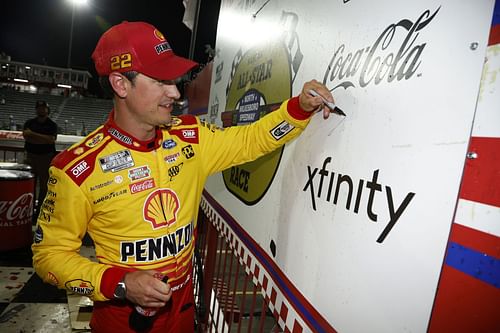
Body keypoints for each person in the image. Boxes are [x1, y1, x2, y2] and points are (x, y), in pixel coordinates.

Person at [31, 21, 336, 333]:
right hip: (121, 320)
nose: (175, 93)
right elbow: (48, 258)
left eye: (174, 81)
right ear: (121, 85)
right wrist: (119, 283)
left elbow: (252, 140)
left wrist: (298, 109)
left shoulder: (190, 137)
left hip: (183, 315)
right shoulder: (75, 169)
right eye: (161, 82)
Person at [22, 100, 58, 212]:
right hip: (31, 157)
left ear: (48, 110)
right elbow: (26, 136)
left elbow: (51, 140)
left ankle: (39, 210)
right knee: (29, 184)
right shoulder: (29, 122)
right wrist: (43, 138)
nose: (41, 110)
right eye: (39, 108)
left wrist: (33, 135)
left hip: (45, 158)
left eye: (43, 108)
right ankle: (29, 209)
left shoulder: (52, 125)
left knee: (44, 186)